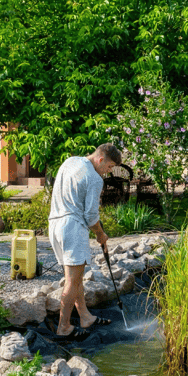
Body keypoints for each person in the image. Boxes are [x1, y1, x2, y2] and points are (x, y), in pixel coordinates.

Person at [48, 143, 122, 341]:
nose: (108, 172)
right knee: (72, 281)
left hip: (54, 225)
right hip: (72, 227)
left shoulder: (70, 161)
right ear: (100, 159)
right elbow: (90, 215)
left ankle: (85, 317)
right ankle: (64, 327)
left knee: (75, 276)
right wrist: (100, 234)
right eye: (109, 167)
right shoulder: (94, 178)